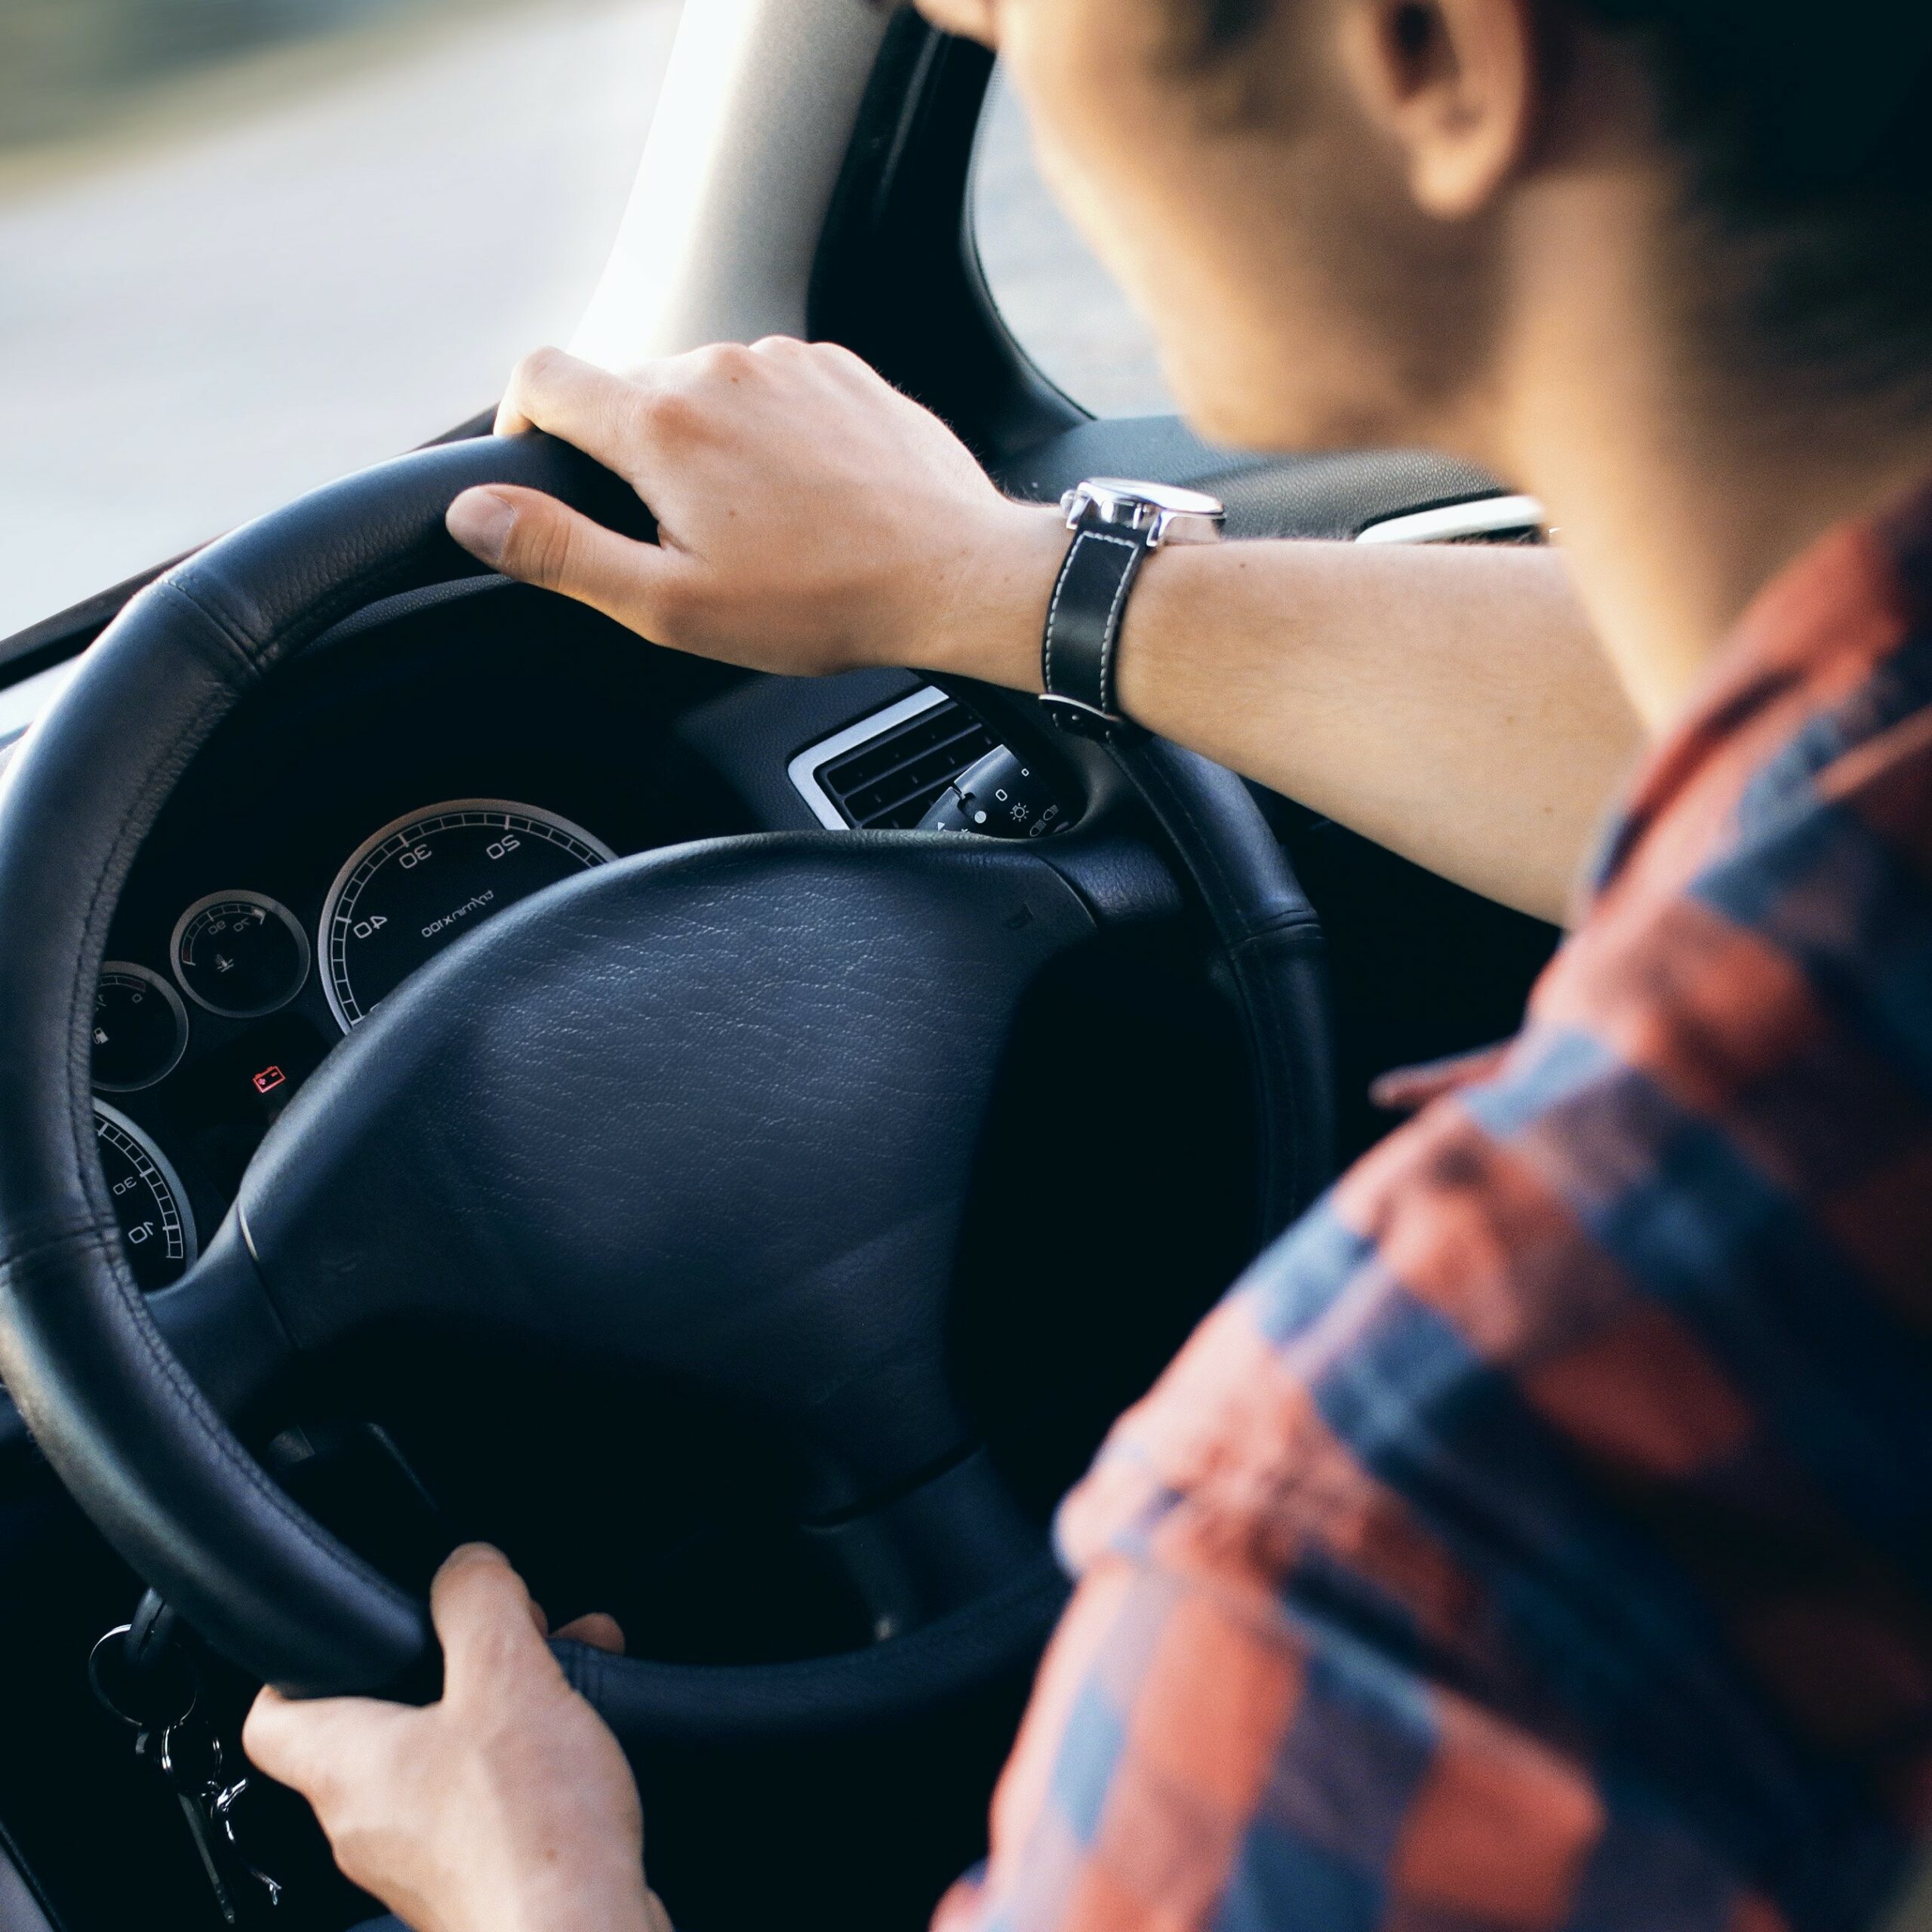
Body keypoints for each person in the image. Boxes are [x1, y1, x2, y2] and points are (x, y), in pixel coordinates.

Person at [241, 0, 1932, 1927]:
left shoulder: (1398, 1561)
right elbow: (1778, 735)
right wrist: (988, 579)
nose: (963, 15)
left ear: (1432, 58)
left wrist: (530, 1889)